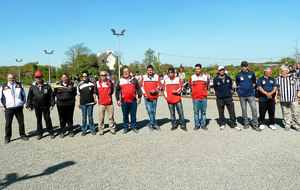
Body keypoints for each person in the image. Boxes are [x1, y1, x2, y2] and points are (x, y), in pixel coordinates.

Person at [26, 71, 55, 140]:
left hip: (45, 106)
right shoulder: (32, 87)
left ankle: (51, 132)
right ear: (35, 78)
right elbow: (29, 97)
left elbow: (51, 96)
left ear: (42, 77)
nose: (38, 78)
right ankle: (40, 133)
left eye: (39, 77)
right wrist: (29, 105)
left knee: (47, 119)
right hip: (37, 106)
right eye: (36, 77)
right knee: (39, 120)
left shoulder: (47, 85)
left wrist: (52, 104)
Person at [0, 73, 28, 144]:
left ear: (14, 78)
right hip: (8, 108)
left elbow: (23, 95)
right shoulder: (3, 86)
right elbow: (0, 98)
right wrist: (2, 106)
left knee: (21, 123)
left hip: (18, 107)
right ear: (7, 78)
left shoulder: (19, 85)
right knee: (8, 124)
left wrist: (22, 103)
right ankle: (7, 138)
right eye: (10, 78)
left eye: (12, 78)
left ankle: (22, 135)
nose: (11, 80)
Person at [236, 61, 261, 131]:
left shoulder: (251, 73)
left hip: (250, 94)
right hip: (242, 95)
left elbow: (254, 83)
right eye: (242, 66)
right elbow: (237, 84)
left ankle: (255, 124)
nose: (244, 67)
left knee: (254, 109)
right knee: (244, 110)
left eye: (245, 66)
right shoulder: (238, 75)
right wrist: (241, 89)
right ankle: (246, 123)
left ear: (247, 66)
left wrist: (250, 88)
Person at [213, 66, 241, 131]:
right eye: (220, 70)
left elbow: (230, 87)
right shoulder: (216, 79)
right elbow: (215, 87)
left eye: (223, 70)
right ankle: (222, 124)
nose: (222, 71)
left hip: (228, 97)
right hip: (220, 98)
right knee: (221, 112)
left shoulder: (228, 78)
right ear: (218, 71)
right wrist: (218, 94)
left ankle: (234, 124)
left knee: (232, 111)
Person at [116, 68, 142, 134]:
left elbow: (138, 89)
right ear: (123, 72)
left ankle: (134, 127)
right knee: (125, 115)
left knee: (133, 115)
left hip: (133, 101)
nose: (126, 73)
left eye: (127, 71)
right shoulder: (120, 80)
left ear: (129, 72)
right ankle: (126, 127)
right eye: (124, 72)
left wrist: (139, 97)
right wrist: (118, 100)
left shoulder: (134, 79)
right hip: (124, 101)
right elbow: (117, 90)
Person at [276, 66, 300, 132]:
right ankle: (287, 124)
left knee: (295, 113)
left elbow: (298, 88)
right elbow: (276, 89)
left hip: (293, 98)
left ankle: (296, 125)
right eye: (280, 71)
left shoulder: (294, 78)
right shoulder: (279, 79)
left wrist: (298, 96)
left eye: (281, 71)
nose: (280, 73)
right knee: (285, 113)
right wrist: (275, 97)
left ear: (286, 71)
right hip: (283, 98)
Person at [54, 73, 77, 138]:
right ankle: (62, 131)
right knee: (62, 118)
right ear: (61, 78)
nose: (64, 78)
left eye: (65, 77)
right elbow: (55, 93)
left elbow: (75, 93)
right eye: (63, 77)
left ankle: (71, 131)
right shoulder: (57, 85)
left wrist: (69, 97)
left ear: (67, 78)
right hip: (60, 104)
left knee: (70, 118)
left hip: (70, 104)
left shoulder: (72, 84)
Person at [140, 65, 162, 131]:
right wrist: (144, 94)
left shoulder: (156, 77)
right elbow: (141, 87)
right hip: (147, 98)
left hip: (154, 97)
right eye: (148, 70)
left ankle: (151, 124)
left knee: (154, 111)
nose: (150, 71)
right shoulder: (144, 77)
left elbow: (160, 86)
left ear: (153, 70)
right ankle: (154, 124)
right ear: (147, 71)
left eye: (151, 70)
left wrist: (154, 90)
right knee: (150, 111)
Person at [189, 64, 209, 131]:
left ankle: (203, 125)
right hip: (195, 98)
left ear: (201, 69)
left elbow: (207, 85)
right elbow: (190, 85)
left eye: (198, 69)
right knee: (196, 112)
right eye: (196, 69)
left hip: (203, 97)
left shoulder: (206, 77)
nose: (196, 70)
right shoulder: (192, 77)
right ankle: (197, 125)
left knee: (203, 112)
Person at [95, 71, 116, 135]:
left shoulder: (110, 83)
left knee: (111, 117)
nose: (103, 76)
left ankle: (112, 129)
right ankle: (101, 129)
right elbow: (95, 92)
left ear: (106, 75)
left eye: (104, 75)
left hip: (109, 103)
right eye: (102, 75)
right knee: (101, 118)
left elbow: (112, 91)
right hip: (101, 103)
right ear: (100, 76)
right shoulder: (97, 83)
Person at [77, 71, 97, 136]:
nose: (84, 77)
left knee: (90, 116)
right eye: (83, 76)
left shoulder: (92, 84)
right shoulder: (80, 84)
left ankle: (92, 129)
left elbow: (93, 93)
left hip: (90, 102)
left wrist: (94, 100)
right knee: (84, 117)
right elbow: (78, 94)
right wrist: (78, 103)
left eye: (85, 76)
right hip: (83, 103)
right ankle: (84, 130)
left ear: (88, 77)